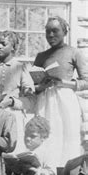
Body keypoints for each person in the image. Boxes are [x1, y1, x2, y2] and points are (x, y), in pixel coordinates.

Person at [34, 16, 87, 167]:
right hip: (44, 101)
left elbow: (86, 81)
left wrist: (64, 83)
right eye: (48, 31)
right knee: (47, 139)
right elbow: (34, 85)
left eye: (55, 31)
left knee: (67, 140)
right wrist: (41, 86)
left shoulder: (74, 52)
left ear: (64, 32)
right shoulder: (41, 57)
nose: (51, 35)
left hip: (65, 101)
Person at [0, 30, 35, 154]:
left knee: (11, 153)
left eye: (3, 44)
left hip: (12, 117)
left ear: (13, 47)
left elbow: (31, 100)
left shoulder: (21, 68)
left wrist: (11, 101)